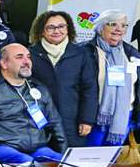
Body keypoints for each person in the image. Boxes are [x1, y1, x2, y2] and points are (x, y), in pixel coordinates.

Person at [0, 44, 67, 164]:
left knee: (65, 163)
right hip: (2, 148)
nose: (26, 61)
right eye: (19, 57)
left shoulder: (39, 88)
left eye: (28, 57)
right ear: (4, 64)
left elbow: (56, 124)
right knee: (29, 164)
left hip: (38, 149)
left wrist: (64, 159)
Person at [28, 11, 99, 147]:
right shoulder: (31, 54)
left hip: (72, 121)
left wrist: (87, 120)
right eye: (51, 27)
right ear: (41, 30)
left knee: (70, 162)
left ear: (68, 29)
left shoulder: (81, 54)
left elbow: (89, 89)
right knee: (43, 161)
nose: (57, 31)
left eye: (61, 26)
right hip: (40, 121)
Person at [81, 10, 140, 146]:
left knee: (112, 158)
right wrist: (84, 118)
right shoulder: (85, 51)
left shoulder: (131, 53)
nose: (119, 29)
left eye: (123, 25)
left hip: (123, 115)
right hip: (95, 116)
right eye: (113, 24)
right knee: (90, 158)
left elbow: (138, 85)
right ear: (101, 28)